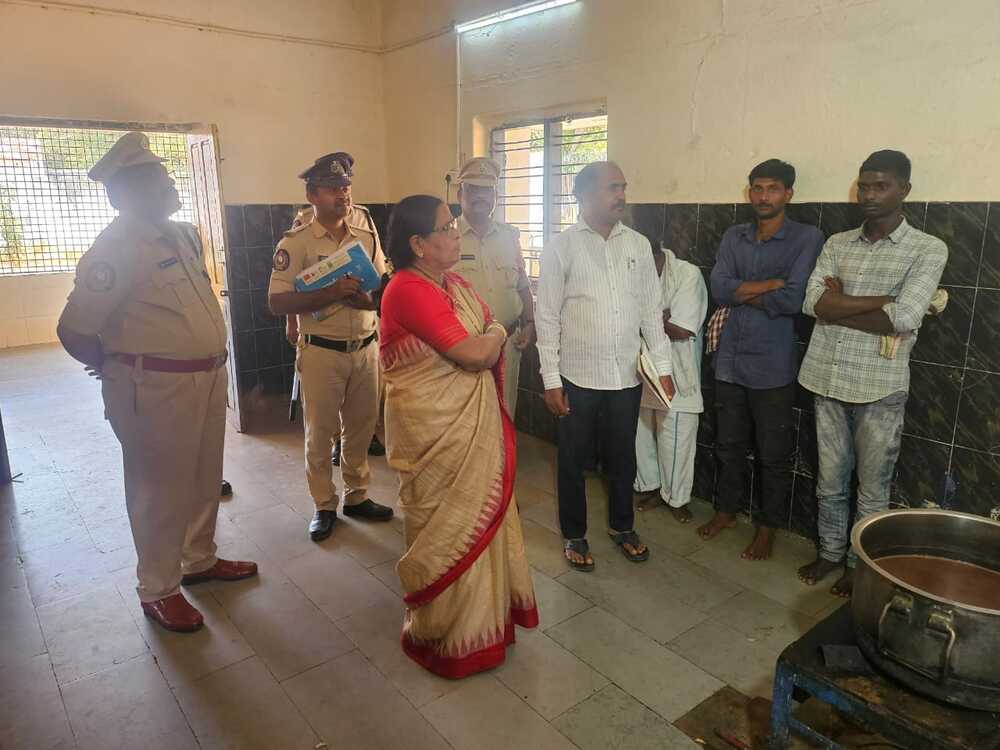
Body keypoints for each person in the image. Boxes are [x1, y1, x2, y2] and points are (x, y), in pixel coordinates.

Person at [57, 132, 257, 633]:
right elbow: (73, 330)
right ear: (125, 192)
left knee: (204, 475)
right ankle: (158, 588)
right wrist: (115, 367)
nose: (170, 182)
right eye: (156, 176)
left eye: (166, 173)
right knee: (158, 489)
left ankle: (199, 558)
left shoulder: (182, 235)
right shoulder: (114, 249)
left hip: (207, 378)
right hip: (154, 389)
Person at [378, 194, 538, 678]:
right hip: (434, 433)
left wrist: (490, 333)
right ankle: (447, 636)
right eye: (446, 228)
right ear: (418, 244)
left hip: (467, 426)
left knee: (478, 518)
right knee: (445, 529)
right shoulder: (407, 289)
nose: (455, 234)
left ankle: (485, 627)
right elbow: (474, 352)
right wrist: (496, 335)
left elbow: (485, 324)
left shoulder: (454, 283)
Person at [797, 150, 947, 597]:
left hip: (879, 385)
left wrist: (840, 305)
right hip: (826, 376)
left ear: (904, 190)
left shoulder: (927, 248)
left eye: (881, 186)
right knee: (830, 481)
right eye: (864, 185)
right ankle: (829, 552)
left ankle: (858, 564)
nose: (868, 194)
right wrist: (883, 301)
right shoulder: (837, 243)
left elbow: (905, 317)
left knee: (873, 488)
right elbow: (812, 303)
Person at [536, 161, 675, 571]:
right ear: (584, 195)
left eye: (623, 187)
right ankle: (574, 534)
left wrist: (663, 366)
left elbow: (651, 312)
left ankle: (622, 526)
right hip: (577, 376)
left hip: (626, 375)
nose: (621, 196)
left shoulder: (637, 245)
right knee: (572, 460)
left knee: (622, 458)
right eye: (613, 188)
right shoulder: (561, 247)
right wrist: (550, 379)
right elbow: (547, 317)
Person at [700, 159, 824, 560]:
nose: (764, 196)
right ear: (749, 191)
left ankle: (768, 527)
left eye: (773, 188)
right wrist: (769, 284)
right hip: (730, 359)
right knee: (728, 444)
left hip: (772, 363)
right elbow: (719, 289)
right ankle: (725, 511)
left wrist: (745, 292)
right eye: (757, 188)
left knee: (773, 453)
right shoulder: (734, 235)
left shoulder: (806, 237)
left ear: (788, 193)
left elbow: (794, 298)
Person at [268, 152, 392, 542]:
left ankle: (357, 495)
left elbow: (382, 287)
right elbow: (276, 302)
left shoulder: (366, 232)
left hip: (365, 347)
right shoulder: (296, 242)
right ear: (312, 195)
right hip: (322, 351)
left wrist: (368, 301)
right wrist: (331, 293)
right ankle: (324, 504)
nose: (343, 194)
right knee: (320, 435)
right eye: (333, 188)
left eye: (346, 186)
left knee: (361, 428)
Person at [452, 157, 536, 417]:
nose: (481, 196)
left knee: (504, 413)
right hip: (463, 349)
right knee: (467, 418)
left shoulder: (510, 237)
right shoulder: (446, 237)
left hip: (507, 344)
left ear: (495, 196)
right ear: (460, 194)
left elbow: (522, 284)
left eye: (487, 190)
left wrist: (529, 323)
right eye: (473, 189)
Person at [634, 239, 708, 523]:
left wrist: (647, 320)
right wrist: (659, 319)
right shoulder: (631, 271)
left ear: (658, 252)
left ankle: (676, 498)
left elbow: (682, 329)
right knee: (643, 435)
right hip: (639, 367)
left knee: (675, 437)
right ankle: (652, 488)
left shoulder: (687, 274)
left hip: (677, 370)